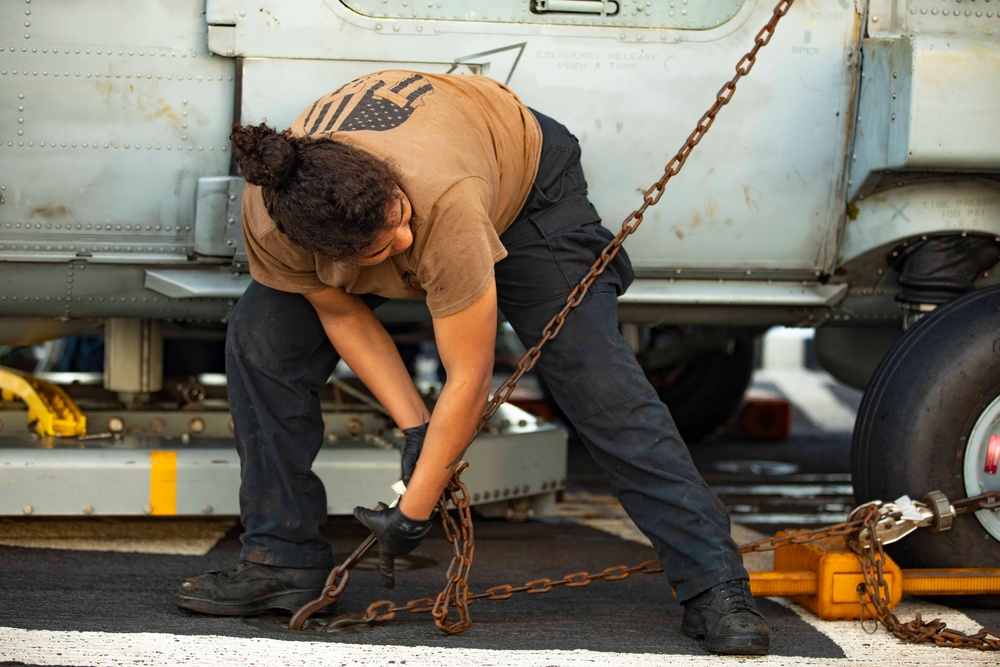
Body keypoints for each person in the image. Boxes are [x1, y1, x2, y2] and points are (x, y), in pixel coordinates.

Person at [175, 70, 769, 656]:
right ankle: (281, 558)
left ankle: (716, 585)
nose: (404, 245)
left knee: (596, 378)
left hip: (525, 189)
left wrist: (414, 510)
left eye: (400, 221)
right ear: (330, 255)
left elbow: (468, 374)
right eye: (384, 251)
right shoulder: (275, 217)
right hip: (404, 201)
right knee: (261, 341)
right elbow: (342, 315)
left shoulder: (438, 201)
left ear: (392, 189)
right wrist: (416, 428)